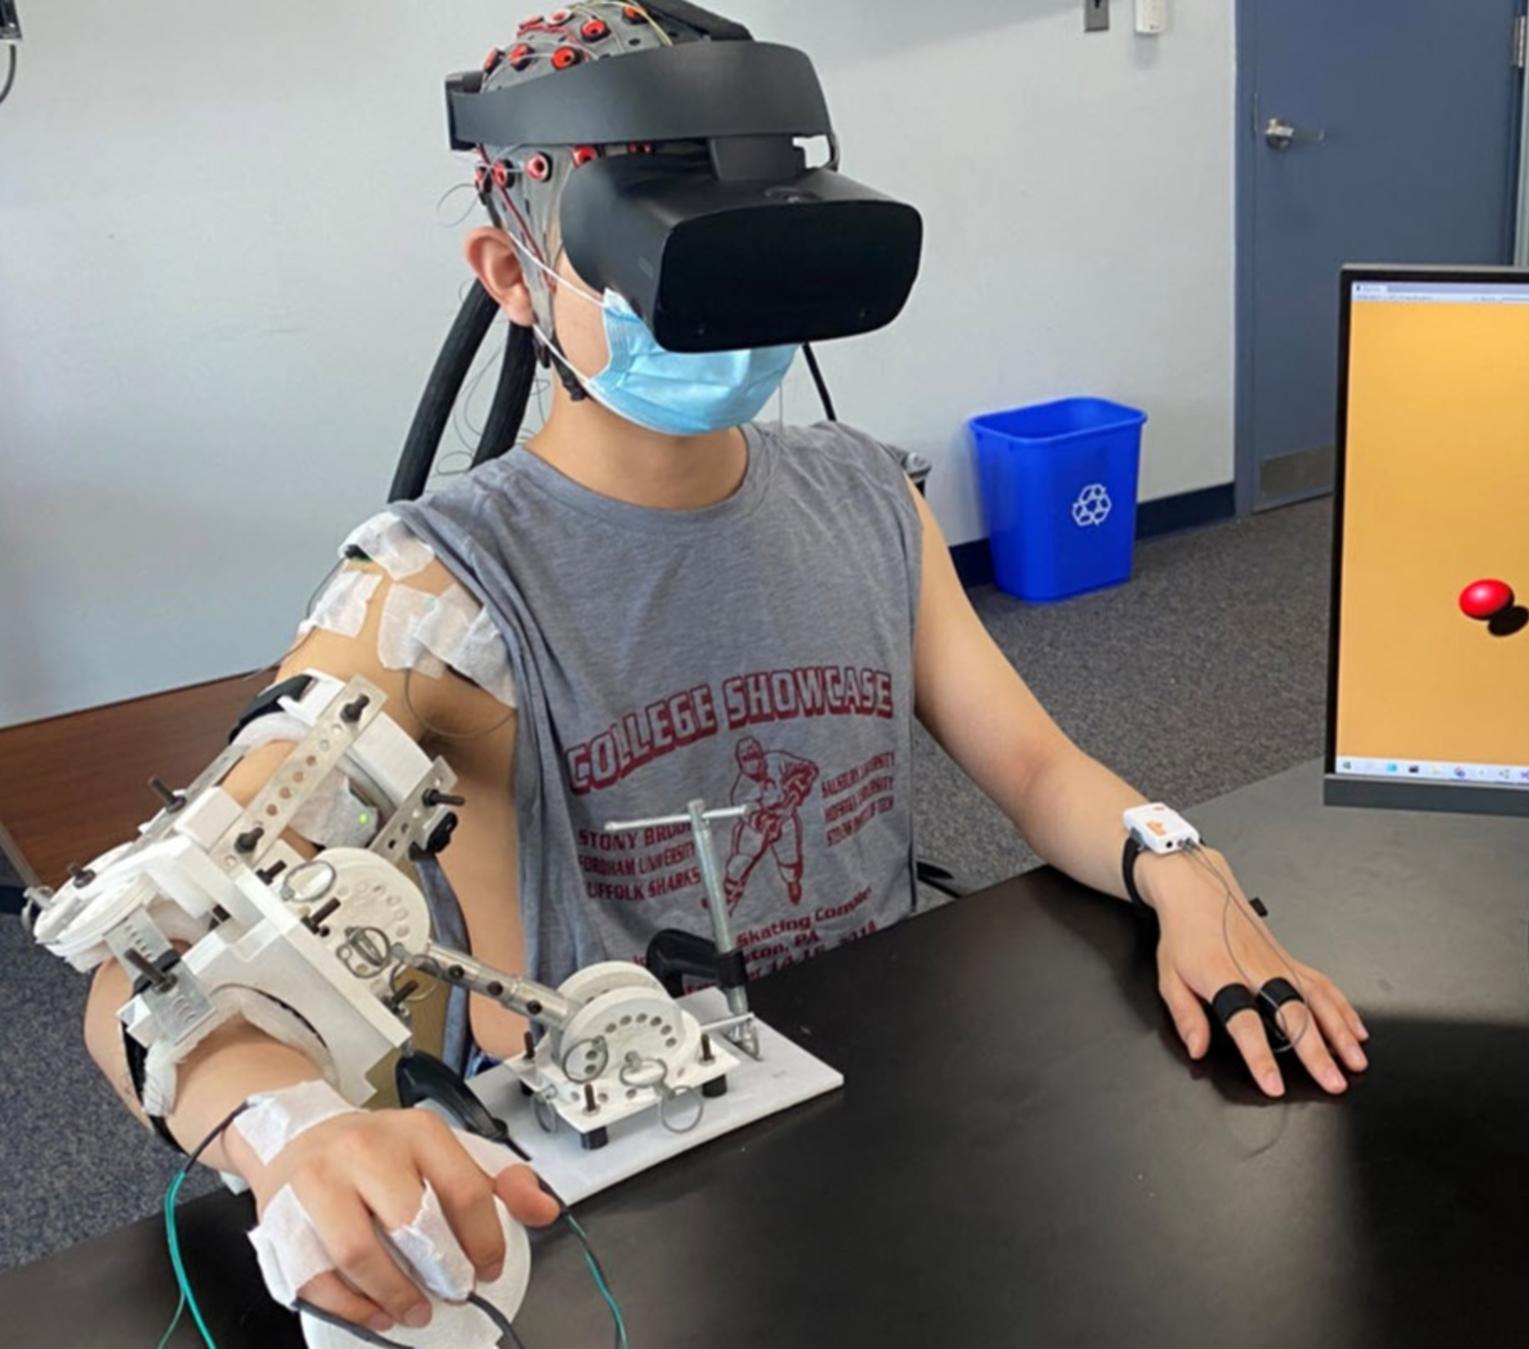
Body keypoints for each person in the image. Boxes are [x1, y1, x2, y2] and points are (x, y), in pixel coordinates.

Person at [77, 9, 1367, 1337]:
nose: (711, 317)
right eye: (658, 261)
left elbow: (1036, 766)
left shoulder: (872, 498)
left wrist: (1184, 871)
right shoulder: (430, 593)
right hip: (624, 1187)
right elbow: (146, 966)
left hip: (888, 1096)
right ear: (515, 278)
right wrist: (291, 1129)